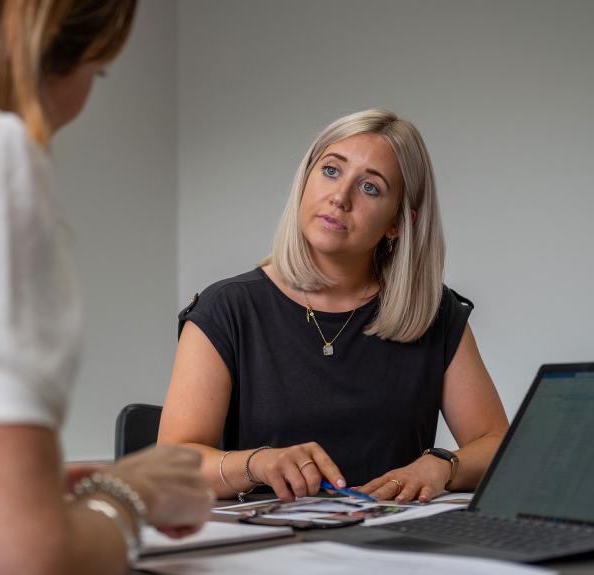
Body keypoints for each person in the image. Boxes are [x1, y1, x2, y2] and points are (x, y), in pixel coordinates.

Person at [0, 2, 212, 574]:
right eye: (97, 71)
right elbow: (7, 564)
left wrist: (25, 492)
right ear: (42, 40)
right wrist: (128, 497)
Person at [159, 108, 509, 505]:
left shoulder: (435, 313)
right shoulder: (227, 308)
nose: (339, 197)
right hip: (271, 553)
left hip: (395, 548)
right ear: (305, 180)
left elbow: (497, 444)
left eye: (370, 188)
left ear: (398, 223)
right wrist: (257, 463)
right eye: (330, 171)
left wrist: (443, 465)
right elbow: (172, 464)